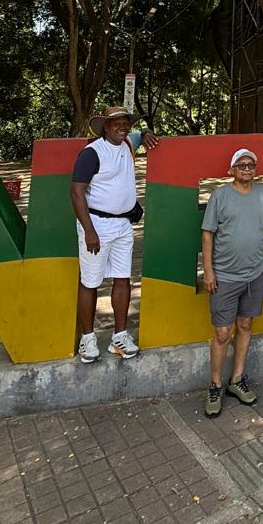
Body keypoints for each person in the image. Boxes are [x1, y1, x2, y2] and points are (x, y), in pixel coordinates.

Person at [70, 105, 159, 364]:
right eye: (117, 123)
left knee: (122, 278)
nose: (122, 127)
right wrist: (88, 230)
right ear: (105, 127)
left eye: (125, 123)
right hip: (96, 225)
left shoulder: (128, 145)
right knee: (90, 281)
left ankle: (119, 336)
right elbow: (76, 192)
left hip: (122, 225)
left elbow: (141, 136)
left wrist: (146, 132)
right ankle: (88, 339)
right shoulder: (92, 153)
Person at [201, 148, 263, 418]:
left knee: (246, 324)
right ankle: (214, 385)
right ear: (232, 169)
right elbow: (208, 234)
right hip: (225, 275)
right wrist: (208, 271)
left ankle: (236, 380)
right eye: (242, 165)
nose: (247, 169)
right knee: (223, 333)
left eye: (251, 165)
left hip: (254, 273)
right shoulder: (220, 196)